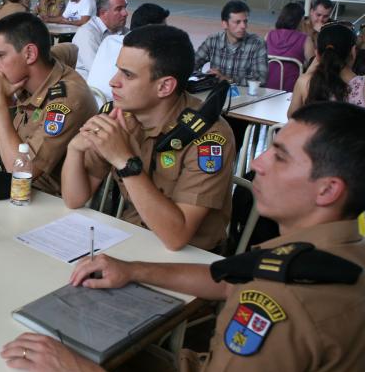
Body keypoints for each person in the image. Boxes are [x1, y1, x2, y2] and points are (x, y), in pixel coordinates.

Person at [4, 101, 365, 372]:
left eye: (280, 156)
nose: (257, 163)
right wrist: (133, 269)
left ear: (327, 190)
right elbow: (225, 281)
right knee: (94, 351)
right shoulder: (345, 249)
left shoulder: (278, 300)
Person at [62, 24, 235, 251]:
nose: (113, 81)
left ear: (165, 86)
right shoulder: (118, 115)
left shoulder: (208, 136)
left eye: (127, 75)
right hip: (129, 238)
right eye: (118, 70)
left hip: (190, 257)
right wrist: (74, 150)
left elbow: (176, 238)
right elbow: (74, 199)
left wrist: (124, 160)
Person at [0, 13, 97, 195]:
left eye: (0, 56)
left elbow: (20, 172)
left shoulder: (66, 100)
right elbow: (71, 48)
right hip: (17, 187)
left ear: (30, 54)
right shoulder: (45, 65)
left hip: (46, 197)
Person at [289, 23, 365, 122]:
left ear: (317, 55)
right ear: (353, 51)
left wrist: (316, 63)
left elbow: (292, 118)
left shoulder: (304, 83)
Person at [86, 2, 168, 99]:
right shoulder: (145, 52)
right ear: (151, 29)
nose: (166, 34)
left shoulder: (109, 40)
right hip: (115, 105)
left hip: (90, 100)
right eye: (164, 29)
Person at [193, 0, 268, 87]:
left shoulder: (257, 44)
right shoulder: (212, 40)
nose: (243, 26)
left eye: (245, 21)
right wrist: (204, 77)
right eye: (237, 22)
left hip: (244, 95)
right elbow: (191, 64)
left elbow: (261, 79)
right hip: (217, 94)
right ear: (225, 24)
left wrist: (227, 79)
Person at [71, 0, 129, 78]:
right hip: (90, 85)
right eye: (119, 9)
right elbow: (97, 71)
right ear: (103, 13)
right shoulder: (87, 34)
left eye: (125, 7)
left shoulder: (125, 32)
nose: (125, 13)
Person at [266, 2, 315, 91]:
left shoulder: (269, 35)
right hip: (292, 90)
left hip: (267, 87)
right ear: (300, 20)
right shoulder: (305, 39)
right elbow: (314, 65)